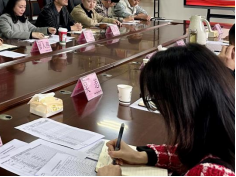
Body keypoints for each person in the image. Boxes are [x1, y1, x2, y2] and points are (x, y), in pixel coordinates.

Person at [98, 44, 235, 176]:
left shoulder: (212, 171)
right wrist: (141, 155)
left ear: (183, 103)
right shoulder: (219, 133)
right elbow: (190, 153)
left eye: (158, 101)